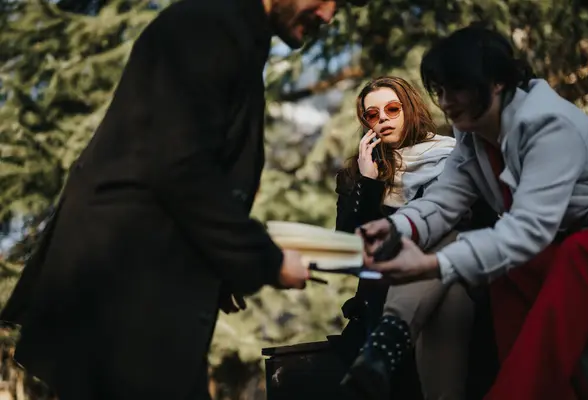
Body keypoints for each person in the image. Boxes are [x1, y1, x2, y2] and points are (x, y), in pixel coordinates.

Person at [0, 0, 368, 399]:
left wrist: (222, 262)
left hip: (140, 286)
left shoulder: (232, 32)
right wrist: (267, 260)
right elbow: (179, 165)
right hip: (124, 288)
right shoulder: (211, 26)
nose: (330, 15)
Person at [359, 25, 588, 400]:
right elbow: (442, 202)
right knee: (502, 274)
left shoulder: (547, 124)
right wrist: (392, 230)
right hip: (550, 245)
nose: (446, 101)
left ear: (498, 82)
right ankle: (390, 338)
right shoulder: (472, 137)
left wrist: (434, 265)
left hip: (584, 243)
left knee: (554, 257)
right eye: (439, 90)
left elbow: (527, 230)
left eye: (458, 87)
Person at [335, 76, 497, 399]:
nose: (382, 119)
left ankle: (385, 346)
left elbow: (482, 223)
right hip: (385, 287)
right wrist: (368, 185)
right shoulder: (358, 173)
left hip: (465, 271)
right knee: (450, 298)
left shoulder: (454, 156)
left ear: (410, 109)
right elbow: (350, 250)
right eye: (372, 114)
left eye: (392, 109)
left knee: (448, 241)